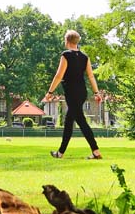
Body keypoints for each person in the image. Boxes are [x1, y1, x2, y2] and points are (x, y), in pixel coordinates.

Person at [42, 30, 103, 160]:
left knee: (81, 121)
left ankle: (96, 151)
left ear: (67, 41)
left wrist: (50, 92)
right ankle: (60, 153)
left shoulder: (66, 55)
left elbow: (59, 75)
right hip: (82, 92)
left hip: (71, 92)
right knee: (69, 121)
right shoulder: (85, 57)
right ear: (77, 41)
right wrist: (97, 93)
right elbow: (91, 76)